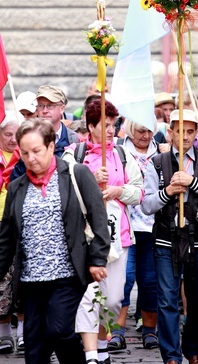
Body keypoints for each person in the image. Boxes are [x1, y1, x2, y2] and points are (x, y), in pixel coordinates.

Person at [0, 117, 110, 363]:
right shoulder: (17, 186)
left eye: (37, 151)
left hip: (67, 276)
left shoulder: (76, 174)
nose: (31, 158)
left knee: (59, 329)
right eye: (25, 153)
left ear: (51, 146)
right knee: (35, 350)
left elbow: (98, 218)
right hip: (30, 280)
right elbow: (6, 238)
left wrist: (97, 259)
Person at [141, 109, 198, 364]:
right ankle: (171, 355)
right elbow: (146, 205)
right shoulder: (157, 164)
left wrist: (193, 182)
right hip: (166, 238)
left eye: (191, 131)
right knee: (167, 298)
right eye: (180, 131)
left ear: (197, 134)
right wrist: (168, 191)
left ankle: (193, 349)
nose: (186, 136)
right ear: (170, 133)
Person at [71, 99, 143, 364]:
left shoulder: (124, 155)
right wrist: (90, 178)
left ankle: (102, 343)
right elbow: (66, 189)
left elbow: (139, 192)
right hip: (85, 239)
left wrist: (118, 191)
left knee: (112, 299)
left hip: (118, 239)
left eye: (115, 125)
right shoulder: (75, 155)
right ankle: (92, 355)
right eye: (106, 125)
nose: (112, 130)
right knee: (89, 296)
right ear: (91, 126)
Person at [109, 119, 169, 352]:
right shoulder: (119, 151)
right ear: (131, 130)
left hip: (154, 225)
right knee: (124, 278)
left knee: (150, 280)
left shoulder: (162, 151)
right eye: (140, 131)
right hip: (127, 225)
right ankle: (117, 331)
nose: (145, 136)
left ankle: (149, 331)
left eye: (148, 131)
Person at [0, 112, 21, 354]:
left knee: (22, 278)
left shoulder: (25, 156)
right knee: (2, 280)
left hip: (21, 223)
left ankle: (25, 334)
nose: (13, 140)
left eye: (17, 135)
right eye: (8, 135)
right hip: (0, 225)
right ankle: (4, 335)